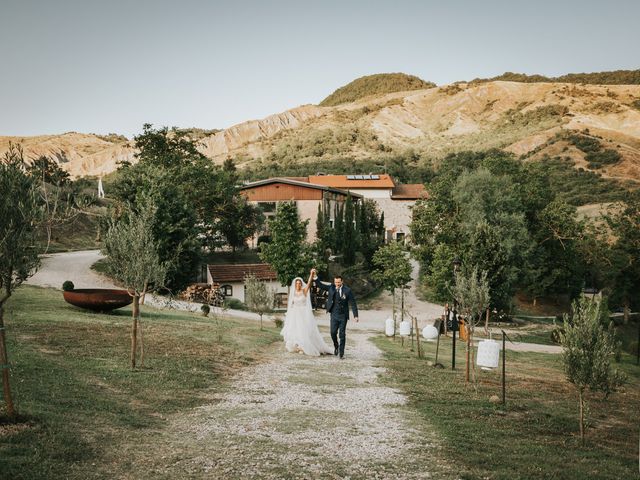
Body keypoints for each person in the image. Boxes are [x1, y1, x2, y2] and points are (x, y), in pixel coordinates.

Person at [280, 271, 334, 356]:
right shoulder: (293, 293)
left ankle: (303, 346)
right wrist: (289, 314)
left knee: (304, 330)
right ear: (295, 285)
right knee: (295, 330)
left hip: (303, 314)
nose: (298, 285)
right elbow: (290, 305)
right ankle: (297, 346)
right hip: (295, 314)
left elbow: (309, 283)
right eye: (297, 283)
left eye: (299, 283)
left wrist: (311, 275)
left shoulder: (304, 291)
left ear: (301, 284)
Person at [312, 268, 358, 359]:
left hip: (343, 315)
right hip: (333, 314)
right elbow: (320, 285)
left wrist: (355, 315)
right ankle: (336, 346)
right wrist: (315, 276)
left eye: (338, 282)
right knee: (333, 333)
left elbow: (353, 303)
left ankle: (341, 353)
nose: (337, 284)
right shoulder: (331, 287)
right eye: (336, 282)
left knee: (342, 334)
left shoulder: (347, 290)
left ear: (342, 282)